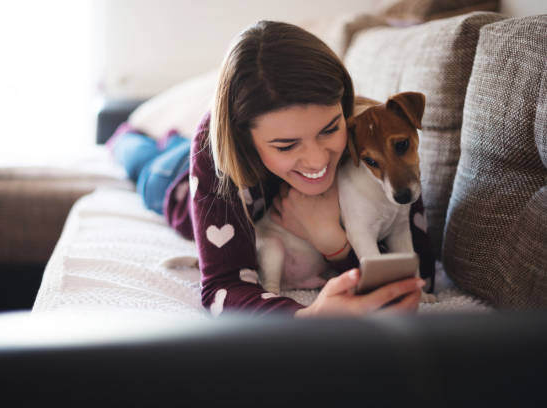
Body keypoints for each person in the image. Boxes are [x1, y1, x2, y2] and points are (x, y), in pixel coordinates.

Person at [110, 20, 435, 318]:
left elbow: (422, 273)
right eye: (286, 145)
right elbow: (222, 286)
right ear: (243, 137)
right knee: (141, 159)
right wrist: (306, 317)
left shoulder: (373, 130)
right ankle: (128, 137)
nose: (318, 161)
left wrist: (331, 241)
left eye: (330, 129)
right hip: (176, 182)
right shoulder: (215, 154)